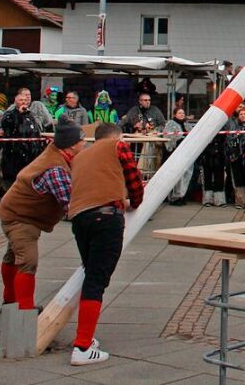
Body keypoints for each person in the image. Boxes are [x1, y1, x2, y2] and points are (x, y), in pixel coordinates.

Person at [68, 122, 144, 365]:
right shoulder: (118, 146)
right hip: (106, 216)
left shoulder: (80, 157)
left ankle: (86, 339)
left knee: (91, 274)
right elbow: (134, 178)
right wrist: (135, 200)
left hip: (80, 218)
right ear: (116, 136)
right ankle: (82, 347)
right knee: (96, 281)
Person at [0, 120, 86, 311]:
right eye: (82, 140)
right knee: (27, 262)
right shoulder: (56, 169)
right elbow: (70, 202)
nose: (85, 143)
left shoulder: (59, 155)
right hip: (21, 217)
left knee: (12, 258)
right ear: (71, 145)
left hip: (19, 213)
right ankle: (24, 309)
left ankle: (10, 301)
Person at [0, 88, 50, 189]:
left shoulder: (30, 114)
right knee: (15, 180)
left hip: (30, 152)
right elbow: (7, 125)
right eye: (21, 100)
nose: (25, 101)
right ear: (16, 101)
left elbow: (35, 130)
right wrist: (19, 114)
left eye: (26, 99)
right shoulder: (10, 114)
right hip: (15, 153)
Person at [162, 108, 192, 205]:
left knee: (186, 175)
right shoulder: (170, 124)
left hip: (187, 153)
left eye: (183, 113)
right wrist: (178, 140)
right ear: (175, 114)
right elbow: (167, 137)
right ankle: (175, 197)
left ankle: (182, 195)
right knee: (177, 176)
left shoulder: (187, 125)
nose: (181, 114)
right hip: (176, 153)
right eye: (179, 113)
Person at [200, 115, 227, 207]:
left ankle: (220, 200)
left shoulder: (222, 127)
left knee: (219, 178)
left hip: (219, 156)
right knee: (207, 178)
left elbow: (224, 141)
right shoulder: (204, 128)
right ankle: (207, 200)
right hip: (207, 156)